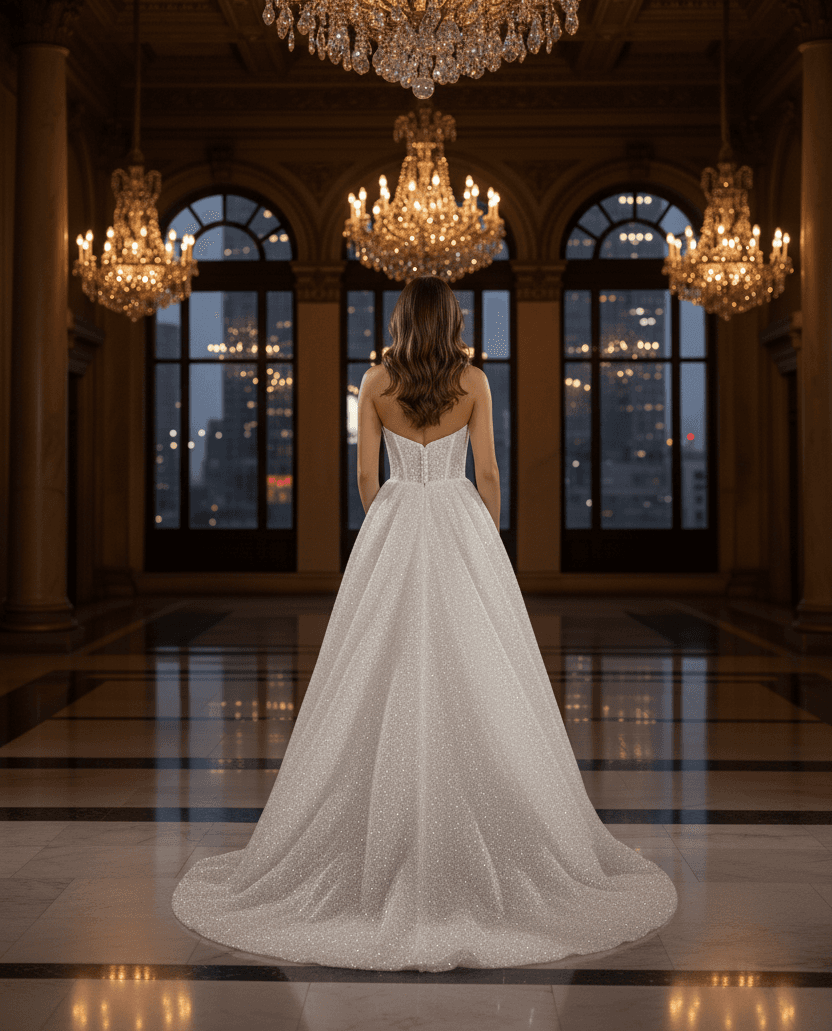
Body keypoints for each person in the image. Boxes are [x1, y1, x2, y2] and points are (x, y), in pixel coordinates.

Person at [172, 275, 677, 972]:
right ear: (454, 320)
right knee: (479, 669)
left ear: (403, 319)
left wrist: (390, 521)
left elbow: (364, 477)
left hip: (398, 517)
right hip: (460, 520)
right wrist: (486, 541)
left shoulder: (376, 379)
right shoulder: (473, 378)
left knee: (375, 664)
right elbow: (490, 471)